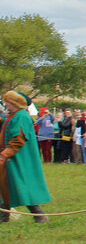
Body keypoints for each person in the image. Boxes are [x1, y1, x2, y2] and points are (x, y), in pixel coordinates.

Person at [0, 91, 51, 223]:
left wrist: (5, 154)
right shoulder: (13, 115)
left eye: (8, 102)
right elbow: (6, 128)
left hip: (18, 158)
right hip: (11, 158)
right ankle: (3, 216)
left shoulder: (21, 116)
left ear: (15, 103)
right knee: (5, 185)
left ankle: (39, 215)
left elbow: (19, 138)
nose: (6, 104)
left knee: (22, 184)